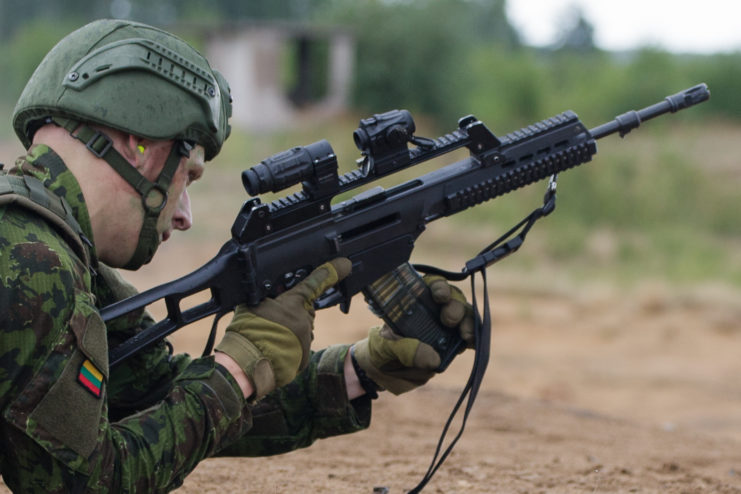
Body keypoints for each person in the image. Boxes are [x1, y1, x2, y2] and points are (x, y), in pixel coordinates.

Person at [0, 19, 473, 493]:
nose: (183, 215)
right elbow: (83, 484)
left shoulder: (48, 247)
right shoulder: (33, 264)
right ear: (138, 147)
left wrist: (357, 371)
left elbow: (156, 397)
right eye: (188, 176)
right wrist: (238, 368)